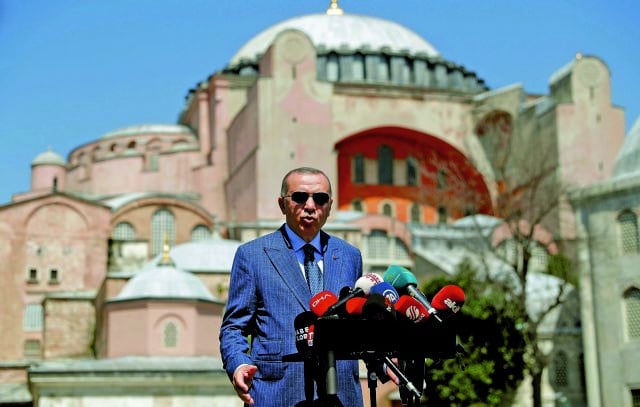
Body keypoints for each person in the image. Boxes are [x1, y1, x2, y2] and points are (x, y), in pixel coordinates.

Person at [220, 167, 364, 406]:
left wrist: (384, 361)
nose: (310, 206)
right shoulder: (253, 255)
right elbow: (234, 327)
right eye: (299, 197)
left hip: (341, 394)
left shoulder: (349, 256)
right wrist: (239, 364)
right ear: (282, 204)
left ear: (329, 206)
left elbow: (358, 325)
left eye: (319, 199)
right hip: (278, 392)